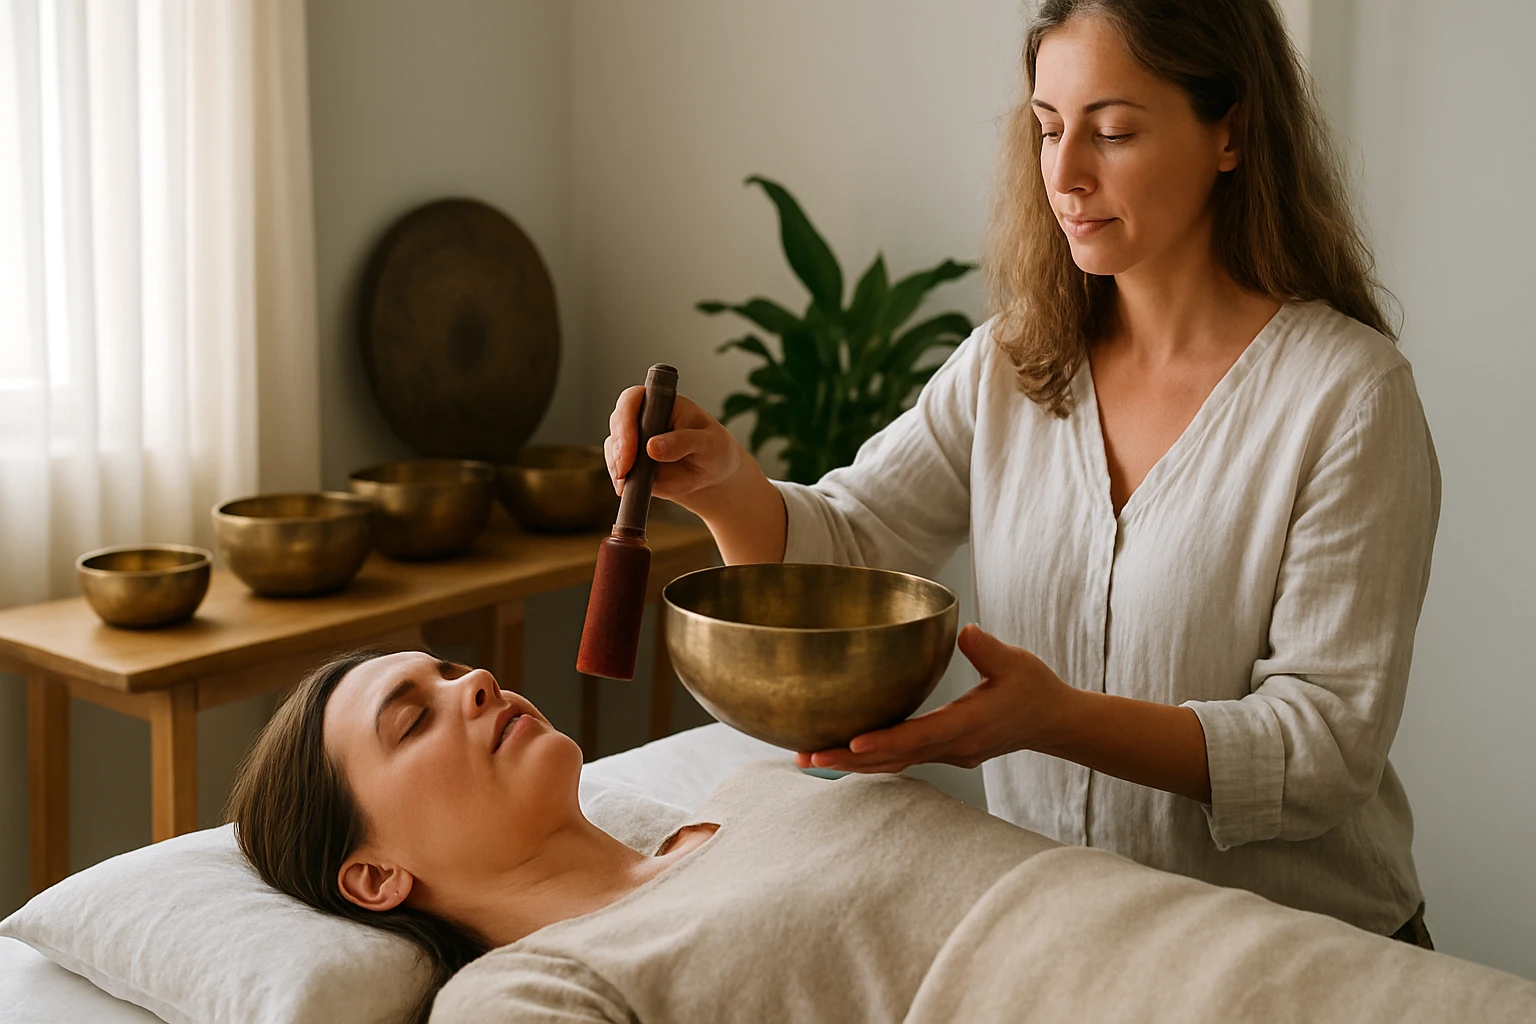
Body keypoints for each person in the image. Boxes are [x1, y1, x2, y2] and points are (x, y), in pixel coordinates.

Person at [603, 0, 1439, 941]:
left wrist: (1055, 720)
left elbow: (1323, 746)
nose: (1067, 174)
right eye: (1047, 129)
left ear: (1232, 133)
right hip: (1069, 943)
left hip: (1303, 955)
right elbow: (850, 546)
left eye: (1112, 132)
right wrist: (722, 482)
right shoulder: (1012, 363)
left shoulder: (1347, 397)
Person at [227, 649, 1060, 1023]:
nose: (476, 680)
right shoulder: (523, 998)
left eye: (450, 671)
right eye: (413, 720)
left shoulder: (762, 786)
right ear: (375, 877)